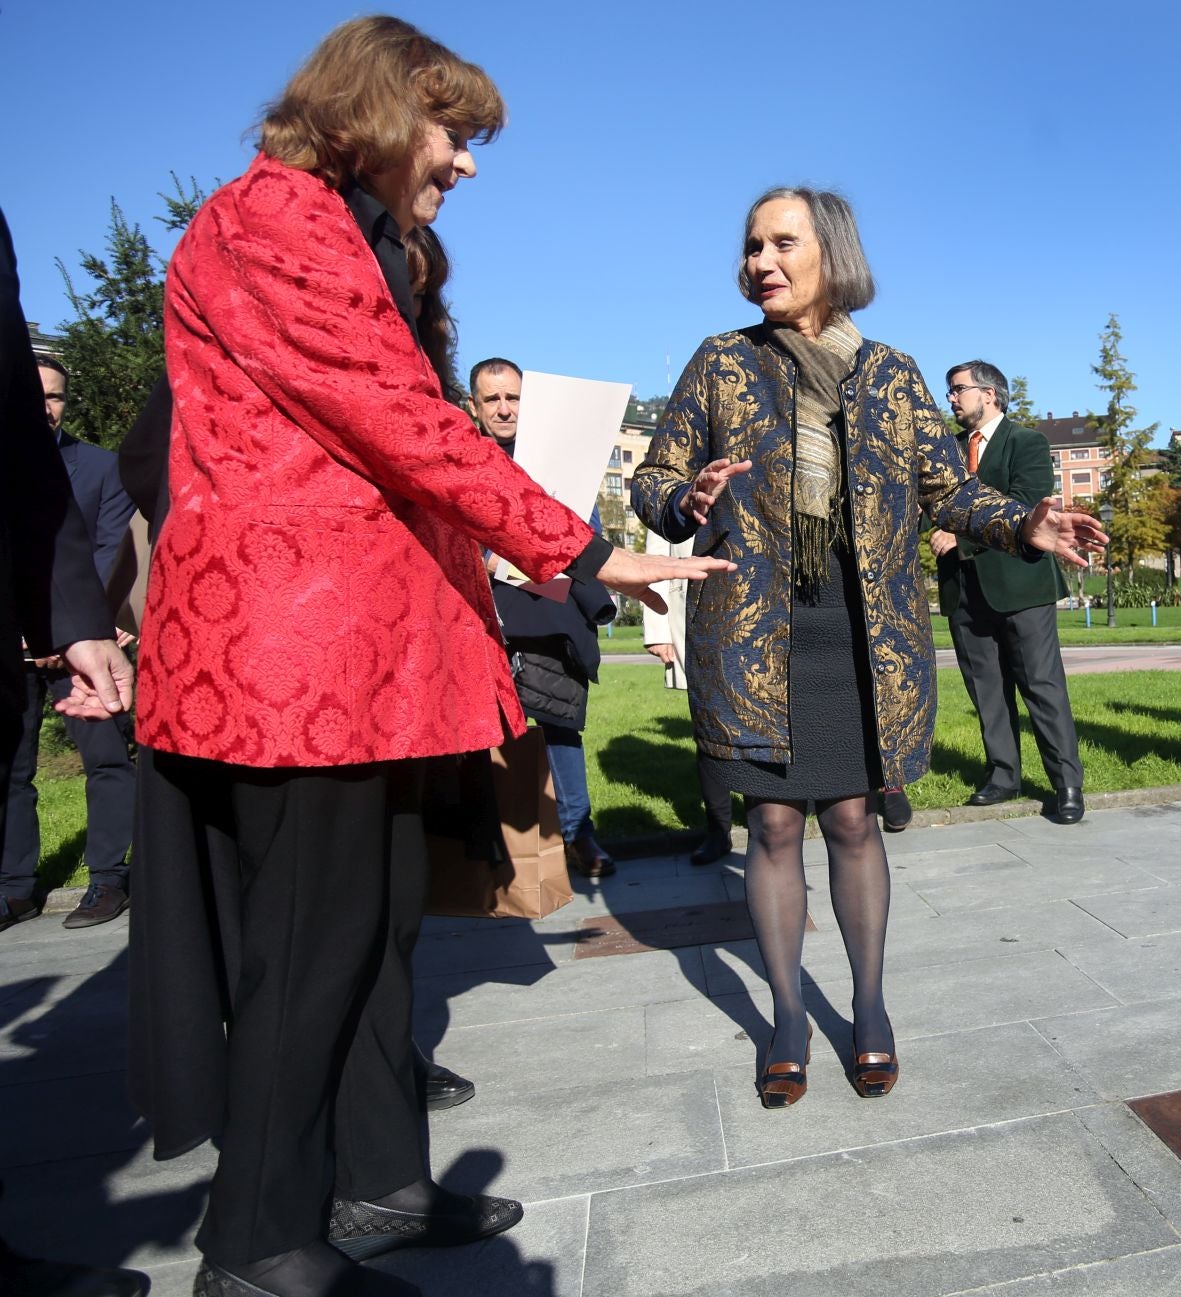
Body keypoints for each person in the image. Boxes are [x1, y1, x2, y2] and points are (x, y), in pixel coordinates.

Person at [125, 19, 729, 1296]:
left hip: (358, 653)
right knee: (308, 944)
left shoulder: (349, 232)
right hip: (295, 657)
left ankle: (380, 1182)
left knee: (380, 927)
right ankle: (256, 1242)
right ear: (383, 110)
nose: (466, 165)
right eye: (455, 134)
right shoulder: (272, 218)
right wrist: (577, 547)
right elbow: (393, 417)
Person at [629, 186, 1103, 1110]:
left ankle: (872, 1007)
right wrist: (683, 502)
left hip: (858, 632)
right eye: (751, 246)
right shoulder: (721, 363)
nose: (759, 261)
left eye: (782, 244)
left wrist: (1023, 523)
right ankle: (788, 1017)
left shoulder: (889, 372)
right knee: (771, 825)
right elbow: (655, 478)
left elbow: (947, 493)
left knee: (850, 819)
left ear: (830, 253)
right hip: (752, 629)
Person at [0, 206, 145, 1297]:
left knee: (103, 772)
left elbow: (68, 515)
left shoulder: (84, 465)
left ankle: (104, 878)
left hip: (56, 622)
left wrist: (71, 618)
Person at [468, 356, 620, 878]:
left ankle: (579, 835)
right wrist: (487, 557)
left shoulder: (559, 462)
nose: (505, 408)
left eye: (513, 397)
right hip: (486, 613)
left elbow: (588, 536)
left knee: (559, 725)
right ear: (475, 407)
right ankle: (501, 845)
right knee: (489, 734)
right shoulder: (461, 462)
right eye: (494, 399)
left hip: (548, 614)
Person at [2, 356, 137, 931]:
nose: (46, 407)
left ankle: (107, 880)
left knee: (106, 760)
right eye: (36, 395)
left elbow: (109, 551)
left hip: (85, 642)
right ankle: (14, 889)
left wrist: (76, 627)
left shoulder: (102, 468)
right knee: (11, 767)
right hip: (12, 646)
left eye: (55, 396)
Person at [931, 359, 1085, 825]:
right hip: (963, 590)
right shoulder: (947, 452)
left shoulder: (1028, 442)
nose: (951, 399)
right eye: (950, 391)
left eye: (958, 389)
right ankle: (1003, 775)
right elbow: (928, 504)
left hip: (1021, 586)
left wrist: (963, 534)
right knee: (987, 690)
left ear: (990, 394)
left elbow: (1027, 504)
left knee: (1041, 686)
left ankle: (1067, 784)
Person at [642, 526, 739, 863]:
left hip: (757, 610)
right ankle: (718, 830)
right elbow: (657, 548)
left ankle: (768, 825)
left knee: (765, 730)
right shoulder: (681, 473)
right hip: (694, 614)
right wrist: (657, 629)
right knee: (708, 731)